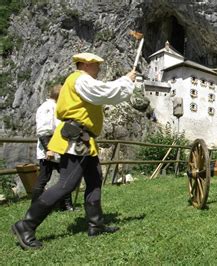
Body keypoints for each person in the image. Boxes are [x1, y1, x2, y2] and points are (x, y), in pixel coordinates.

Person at [12, 52, 136, 250]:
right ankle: (26, 225)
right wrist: (126, 81)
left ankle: (96, 225)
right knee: (66, 185)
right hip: (76, 138)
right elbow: (105, 92)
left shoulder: (81, 80)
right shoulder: (80, 79)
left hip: (84, 140)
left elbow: (104, 92)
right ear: (86, 64)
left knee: (95, 180)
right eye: (96, 65)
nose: (99, 68)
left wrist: (124, 82)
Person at [30, 84, 74, 211]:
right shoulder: (47, 108)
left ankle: (65, 206)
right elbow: (43, 131)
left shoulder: (55, 106)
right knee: (44, 178)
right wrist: (49, 149)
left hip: (59, 149)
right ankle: (35, 207)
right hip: (49, 149)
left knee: (65, 177)